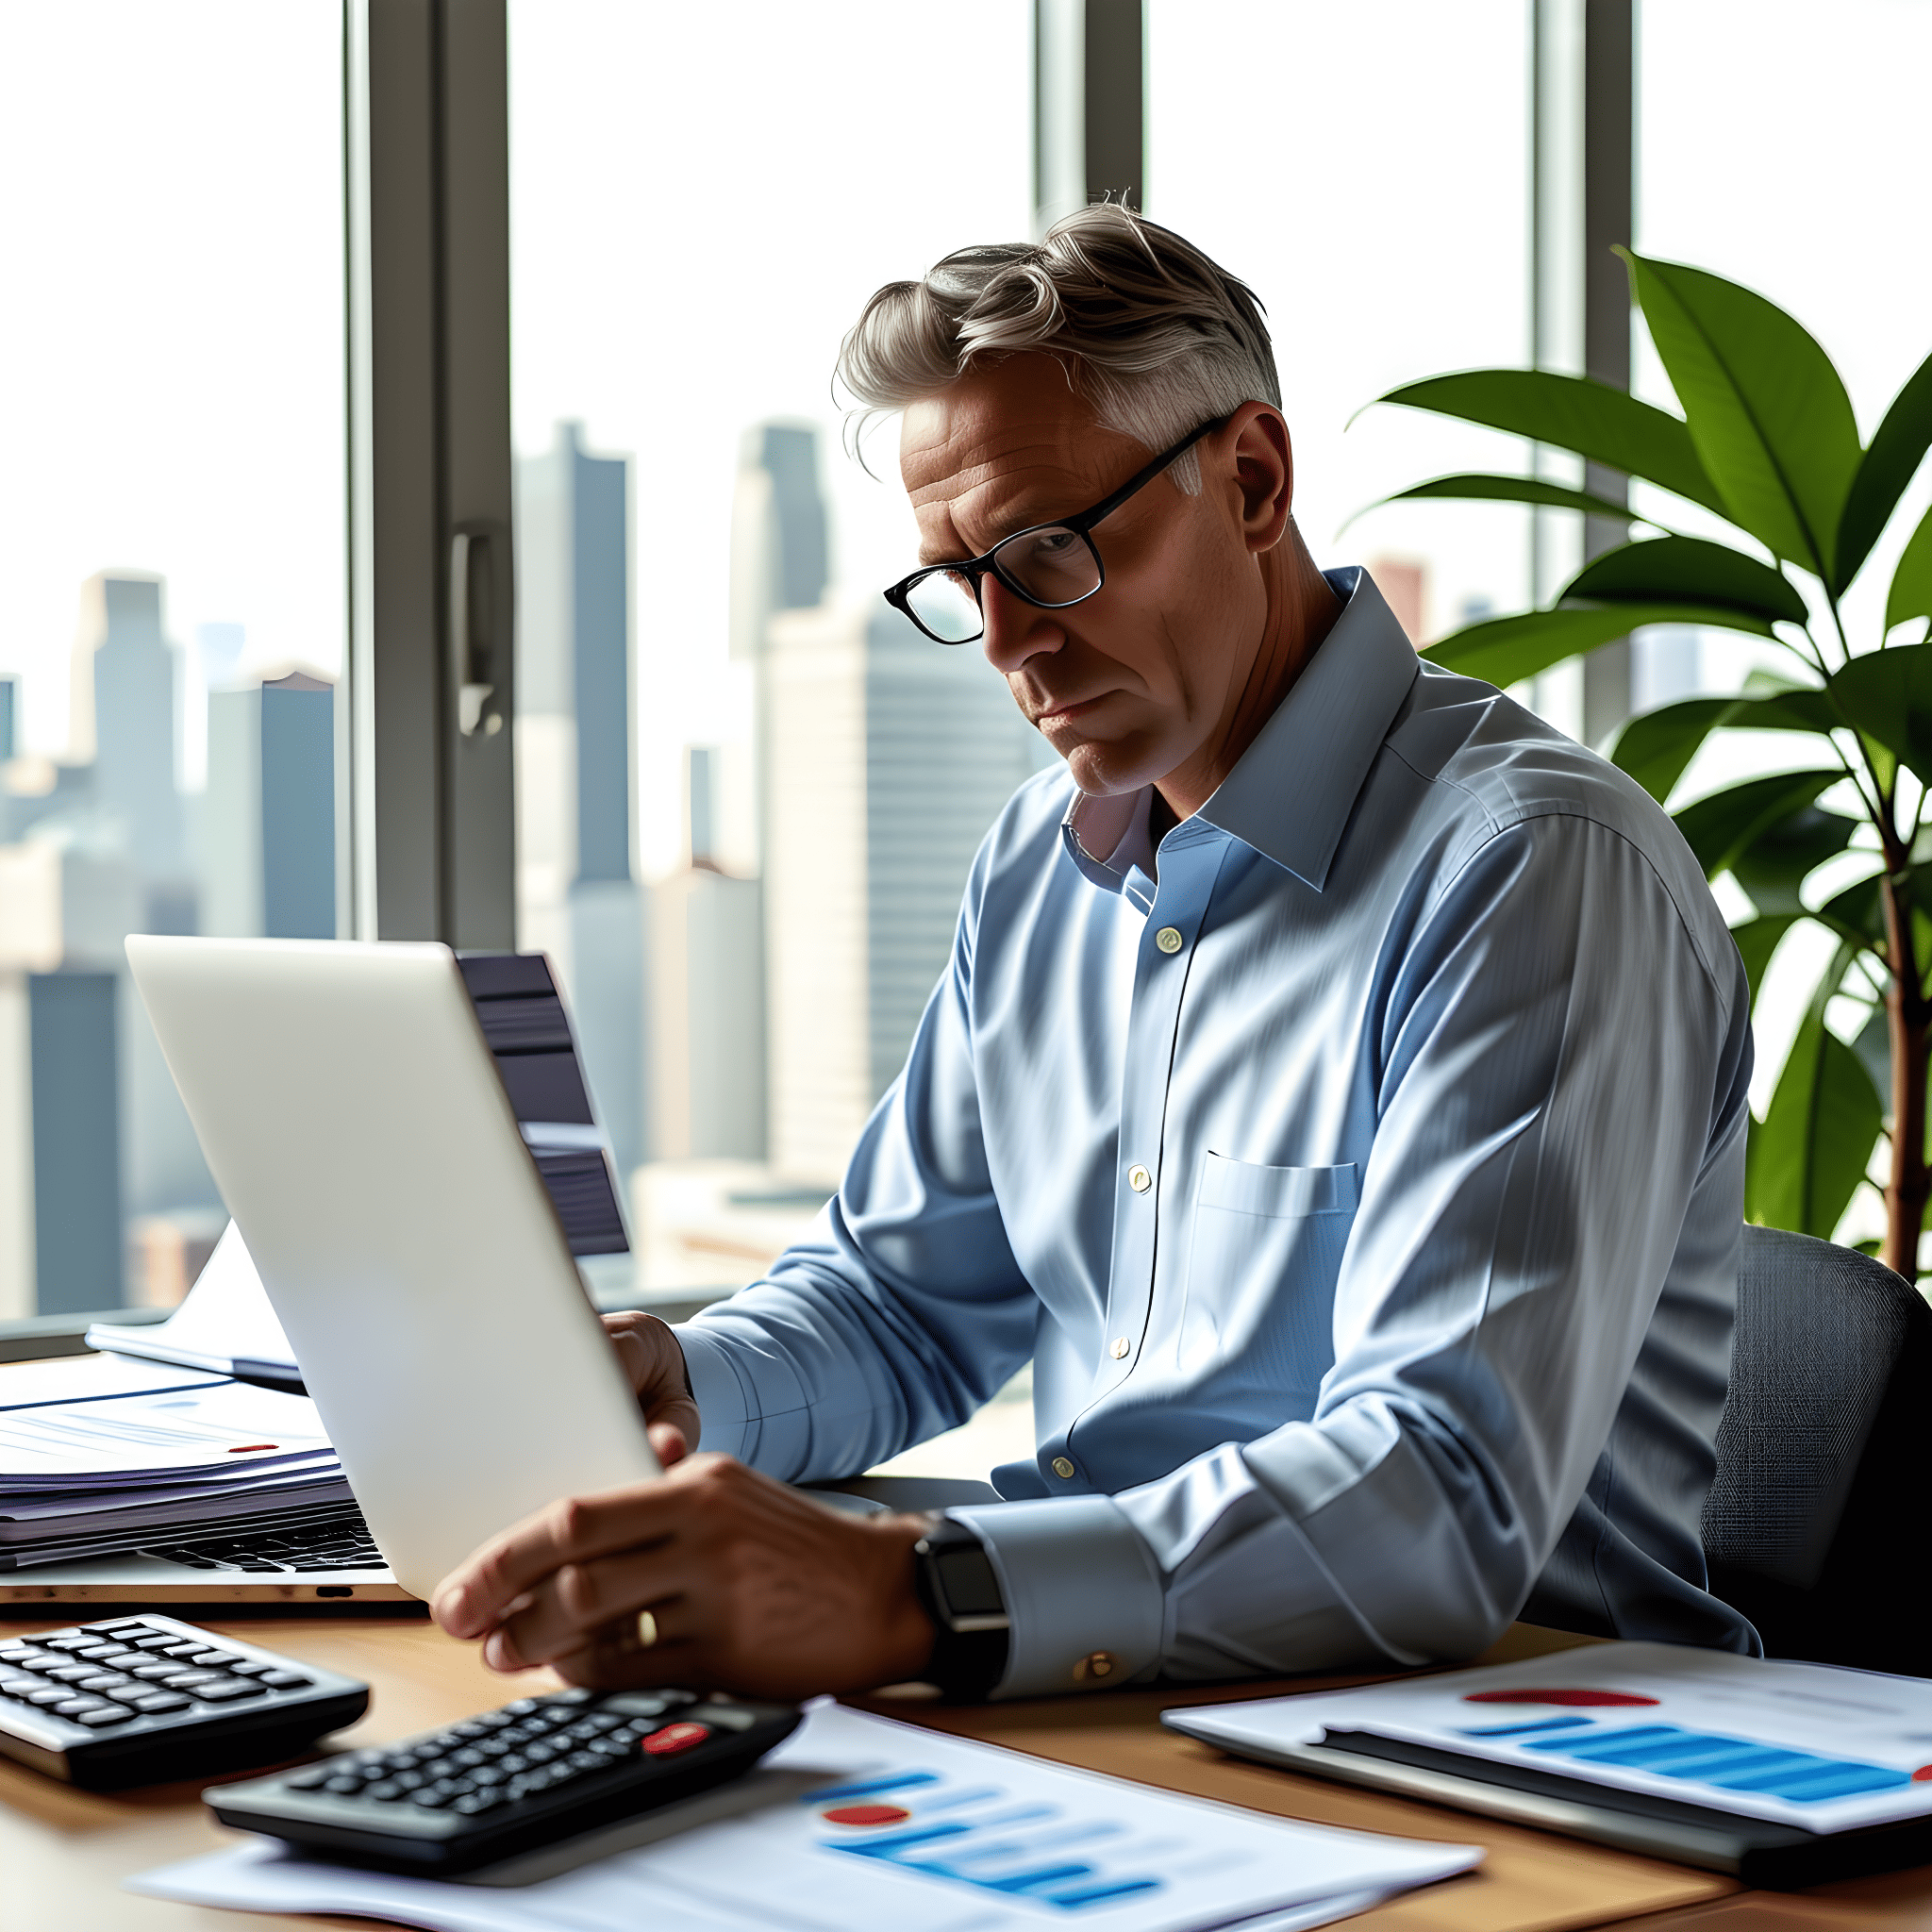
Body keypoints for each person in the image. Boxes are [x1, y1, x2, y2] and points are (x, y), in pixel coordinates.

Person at [431, 206, 1757, 1702]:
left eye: (1047, 551)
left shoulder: (1530, 875)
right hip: (1115, 1696)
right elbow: (903, 1300)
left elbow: (1439, 1497)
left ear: (1251, 479)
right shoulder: (1037, 869)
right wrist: (688, 1384)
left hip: (1505, 1739)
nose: (1004, 641)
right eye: (959, 580)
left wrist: (906, 1594)